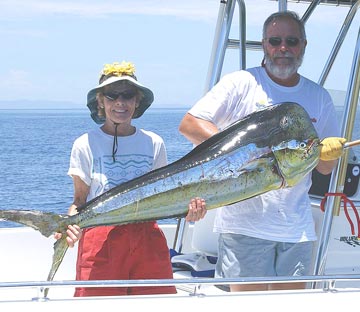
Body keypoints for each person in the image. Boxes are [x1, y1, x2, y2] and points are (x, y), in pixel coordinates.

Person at [178, 11, 346, 292]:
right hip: (245, 228)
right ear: (264, 44)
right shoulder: (241, 83)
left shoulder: (319, 97)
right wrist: (242, 153)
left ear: (303, 45)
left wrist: (328, 154)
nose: (283, 48)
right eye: (275, 41)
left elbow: (324, 170)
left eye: (291, 41)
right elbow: (190, 124)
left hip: (297, 230)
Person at [57, 60, 207, 297]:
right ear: (100, 101)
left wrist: (190, 210)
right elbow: (79, 200)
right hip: (100, 240)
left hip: (147, 237)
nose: (120, 102)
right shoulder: (85, 144)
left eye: (127, 95)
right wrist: (67, 226)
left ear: (137, 102)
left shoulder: (154, 143)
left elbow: (165, 197)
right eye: (112, 95)